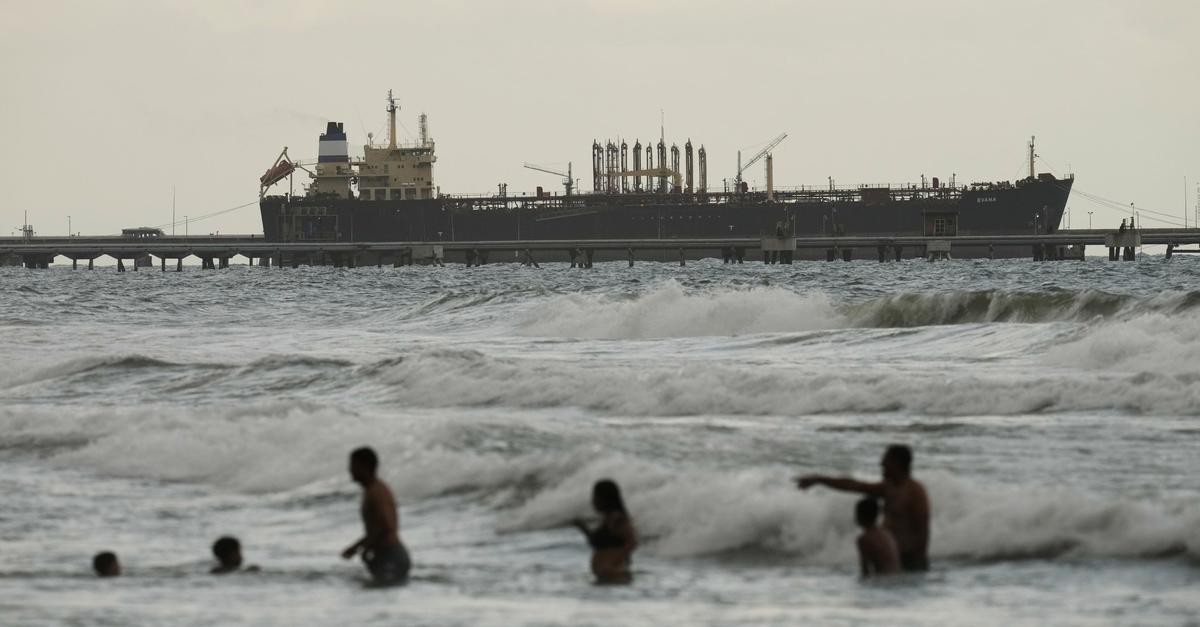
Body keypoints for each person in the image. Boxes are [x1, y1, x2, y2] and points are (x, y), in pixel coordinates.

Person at [797, 444, 931, 571]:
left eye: (886, 460)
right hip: (891, 557)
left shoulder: (915, 492)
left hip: (910, 560)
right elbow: (854, 485)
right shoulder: (888, 488)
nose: (882, 464)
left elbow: (923, 531)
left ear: (897, 463)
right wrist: (819, 480)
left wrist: (918, 562)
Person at [342, 446, 410, 584]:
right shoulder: (373, 490)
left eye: (353, 465)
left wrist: (364, 547)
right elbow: (378, 528)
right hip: (386, 555)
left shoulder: (376, 492)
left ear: (364, 466)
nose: (350, 470)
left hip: (390, 556)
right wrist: (357, 548)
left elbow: (386, 526)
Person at [574, 479, 637, 584]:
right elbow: (599, 544)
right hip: (606, 578)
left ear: (606, 499)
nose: (593, 501)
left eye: (596, 497)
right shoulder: (607, 519)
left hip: (616, 576)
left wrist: (613, 560)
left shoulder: (618, 519)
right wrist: (582, 528)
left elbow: (632, 542)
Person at [854, 498, 900, 577]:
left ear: (861, 515)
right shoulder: (887, 533)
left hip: (883, 579)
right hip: (898, 576)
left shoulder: (864, 539)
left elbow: (865, 571)